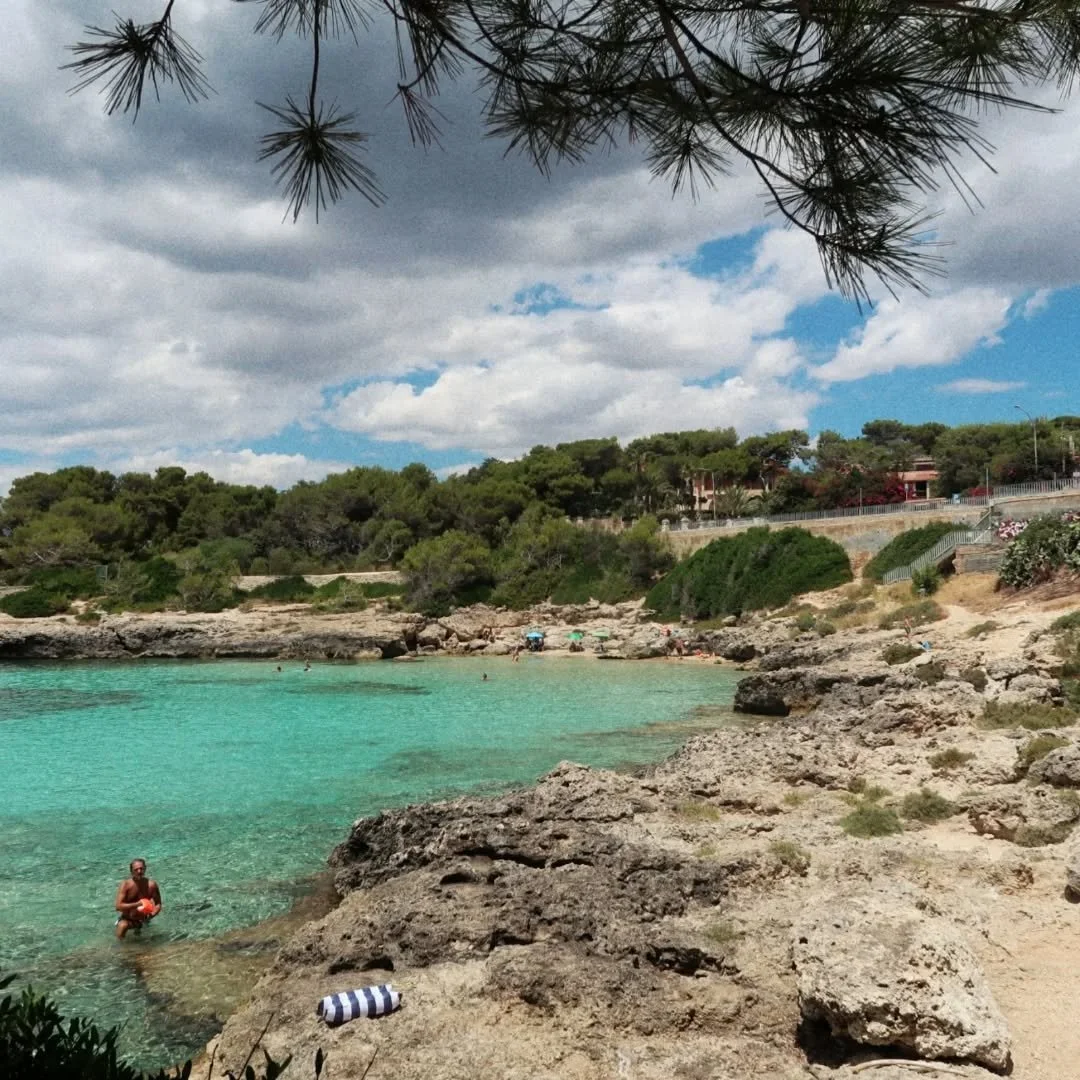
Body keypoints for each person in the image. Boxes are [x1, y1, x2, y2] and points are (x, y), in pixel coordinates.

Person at [115, 858, 162, 939]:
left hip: (143, 920)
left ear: (145, 868)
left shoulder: (152, 885)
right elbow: (118, 906)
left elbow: (158, 904)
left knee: (142, 940)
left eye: (141, 868)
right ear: (131, 871)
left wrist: (152, 915)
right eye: (136, 869)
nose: (139, 871)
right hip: (128, 919)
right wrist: (138, 904)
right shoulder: (126, 885)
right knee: (122, 926)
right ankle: (119, 946)